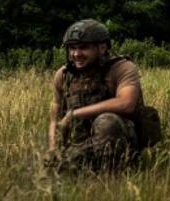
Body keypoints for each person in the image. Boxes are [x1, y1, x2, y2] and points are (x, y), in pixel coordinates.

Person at [44, 19, 162, 173]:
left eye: (83, 48)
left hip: (121, 141)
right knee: (53, 169)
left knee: (107, 122)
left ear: (102, 47)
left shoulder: (122, 68)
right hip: (82, 144)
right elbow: (55, 120)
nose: (76, 54)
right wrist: (53, 149)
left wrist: (75, 114)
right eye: (72, 48)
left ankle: (112, 176)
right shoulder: (64, 75)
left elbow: (126, 103)